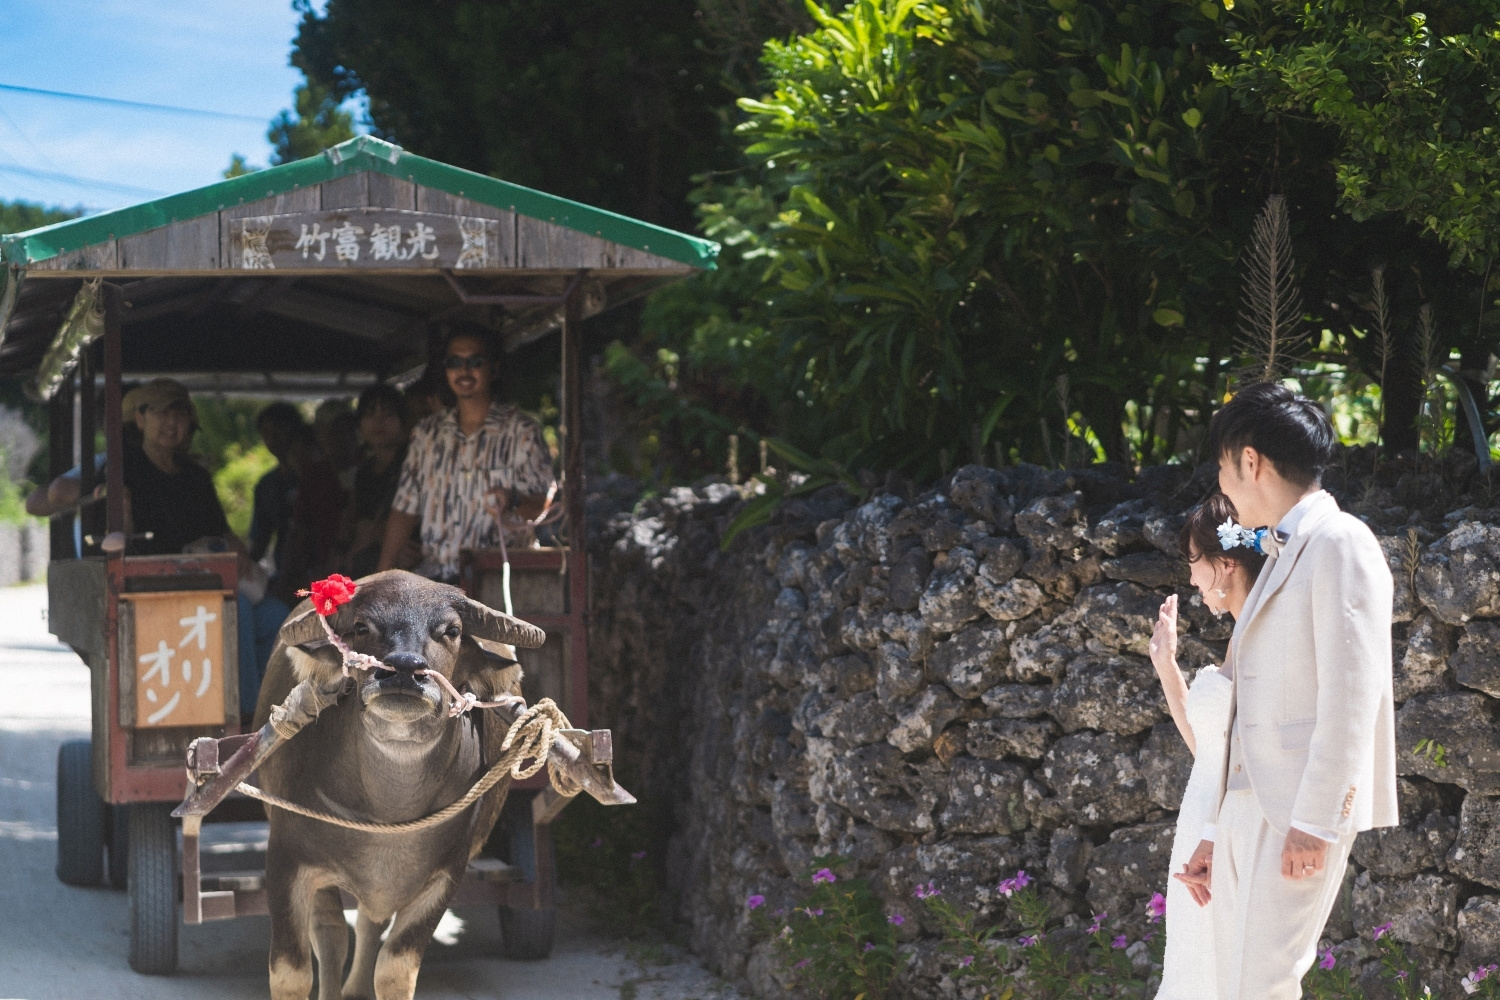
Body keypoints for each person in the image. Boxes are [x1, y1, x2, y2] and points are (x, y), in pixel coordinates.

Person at [1175, 382, 1397, 1000]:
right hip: (1252, 807)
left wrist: (1317, 823)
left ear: (1250, 461)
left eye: (1223, 469)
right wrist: (1219, 830)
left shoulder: (1340, 541)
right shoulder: (1281, 548)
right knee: (1237, 985)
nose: (1222, 489)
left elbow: (1352, 695)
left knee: (1262, 986)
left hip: (1300, 807)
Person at [1147, 494, 1266, 1000]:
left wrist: (1219, 834)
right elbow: (1212, 752)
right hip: (1202, 823)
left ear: (1226, 562)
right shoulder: (1242, 636)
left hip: (1225, 831)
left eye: (1195, 564)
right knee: (1195, 971)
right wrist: (1166, 667)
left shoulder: (1263, 637)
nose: (1193, 581)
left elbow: (1257, 759)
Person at [377, 329, 556, 582]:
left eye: (475, 362)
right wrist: (380, 576)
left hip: (500, 579)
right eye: (454, 363)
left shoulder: (522, 432)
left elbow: (541, 506)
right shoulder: (427, 434)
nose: (464, 371)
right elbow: (404, 509)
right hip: (437, 581)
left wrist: (512, 499)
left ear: (493, 369)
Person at [338, 383, 412, 578]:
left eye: (388, 414)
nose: (379, 422)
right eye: (370, 414)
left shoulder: (412, 464)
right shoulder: (364, 472)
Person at [249, 402, 305, 593]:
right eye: (266, 432)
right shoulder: (267, 485)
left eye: (279, 430)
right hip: (284, 571)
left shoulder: (320, 476)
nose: (273, 438)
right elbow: (260, 539)